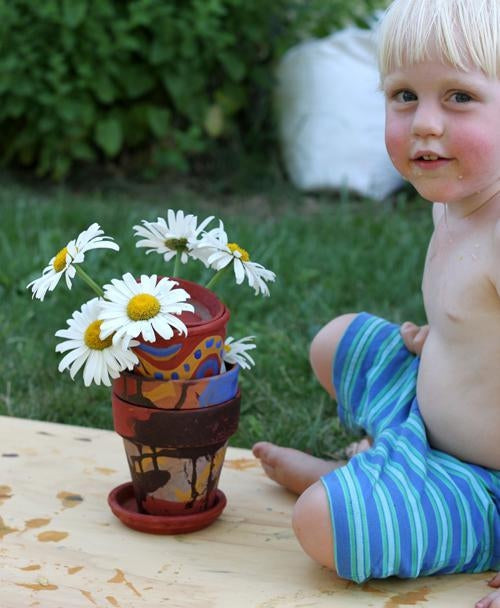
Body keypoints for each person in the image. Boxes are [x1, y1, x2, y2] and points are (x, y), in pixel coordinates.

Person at [253, 0, 500, 605]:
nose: (424, 123)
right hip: (434, 419)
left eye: (459, 97)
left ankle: (359, 484)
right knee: (337, 342)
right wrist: (438, 338)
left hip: (482, 479)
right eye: (404, 95)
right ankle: (380, 467)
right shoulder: (455, 199)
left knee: (322, 526)